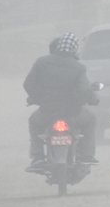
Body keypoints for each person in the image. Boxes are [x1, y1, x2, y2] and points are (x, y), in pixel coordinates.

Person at [23, 33, 98, 170]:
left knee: (34, 122)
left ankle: (38, 157)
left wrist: (38, 98)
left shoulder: (42, 62)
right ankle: (86, 155)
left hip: (47, 111)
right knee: (90, 119)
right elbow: (84, 90)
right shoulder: (79, 67)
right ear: (75, 49)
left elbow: (29, 84)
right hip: (73, 113)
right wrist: (93, 100)